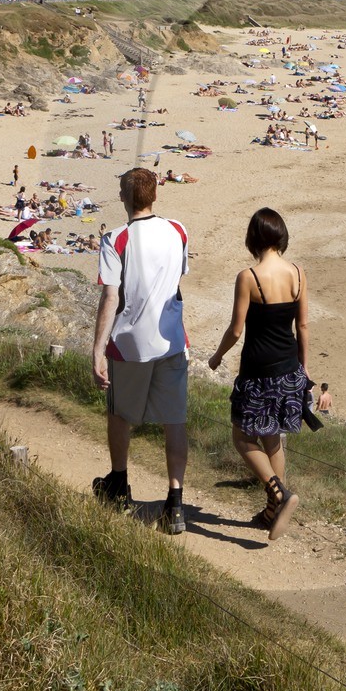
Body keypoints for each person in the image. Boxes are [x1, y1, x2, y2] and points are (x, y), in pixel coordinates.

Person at [91, 168, 192, 535]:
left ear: (124, 198)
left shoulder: (115, 238)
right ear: (154, 197)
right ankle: (175, 503)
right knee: (174, 419)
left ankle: (118, 484)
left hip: (130, 342)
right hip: (171, 340)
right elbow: (175, 280)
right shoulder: (178, 230)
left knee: (120, 413)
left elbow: (110, 296)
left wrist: (98, 349)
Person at [207, 208, 310, 540]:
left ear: (253, 238)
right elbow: (303, 326)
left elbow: (237, 330)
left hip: (258, 373)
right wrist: (303, 369)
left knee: (242, 438)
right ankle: (270, 512)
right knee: (273, 439)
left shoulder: (248, 277)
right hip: (289, 369)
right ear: (281, 236)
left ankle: (279, 494)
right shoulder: (298, 273)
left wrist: (217, 356)